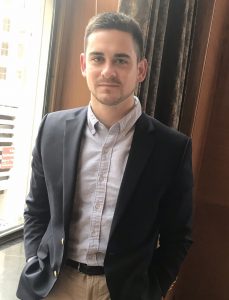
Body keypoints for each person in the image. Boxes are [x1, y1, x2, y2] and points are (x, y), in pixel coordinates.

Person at [17, 12, 193, 300]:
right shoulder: (51, 128)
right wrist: (34, 262)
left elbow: (178, 237)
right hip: (55, 285)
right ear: (84, 64)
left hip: (123, 291)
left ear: (141, 69)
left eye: (121, 60)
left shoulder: (171, 148)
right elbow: (37, 210)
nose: (108, 71)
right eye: (98, 58)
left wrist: (152, 289)